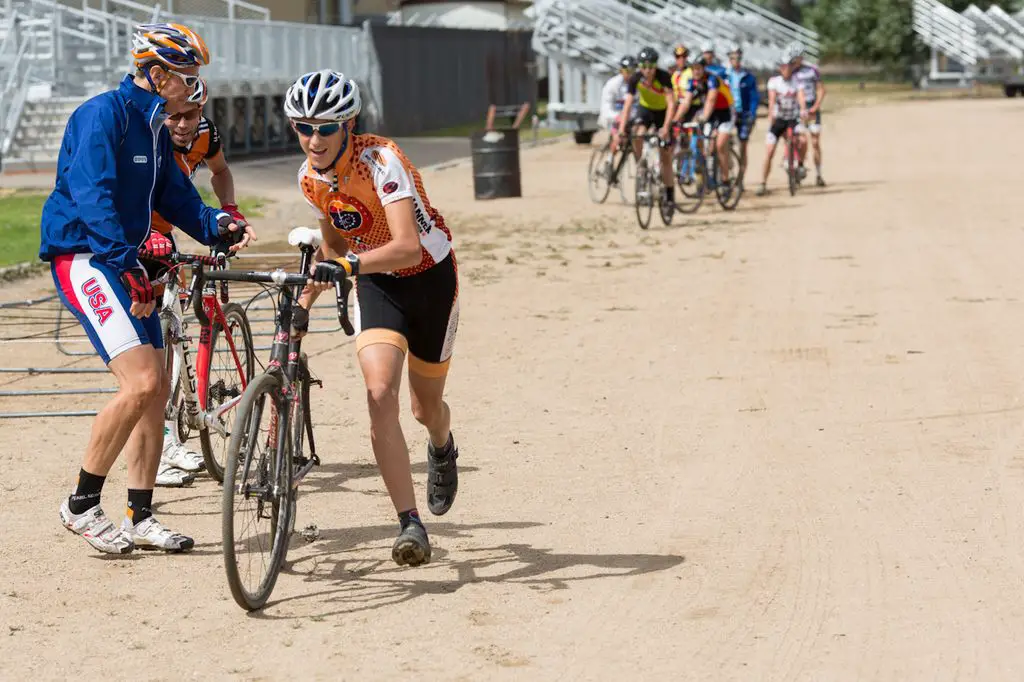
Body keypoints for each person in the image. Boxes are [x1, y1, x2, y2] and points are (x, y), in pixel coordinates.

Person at [39, 23, 255, 555]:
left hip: (123, 260)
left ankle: (140, 513)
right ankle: (82, 504)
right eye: (186, 76)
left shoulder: (157, 128)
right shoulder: (103, 115)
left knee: (157, 388)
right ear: (157, 75)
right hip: (85, 257)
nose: (193, 86)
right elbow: (93, 198)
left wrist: (215, 224)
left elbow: (176, 196)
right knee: (139, 383)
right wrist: (126, 262)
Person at [285, 69, 460, 568]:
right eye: (302, 127)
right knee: (379, 391)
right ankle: (410, 522)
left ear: (349, 125)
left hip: (429, 278)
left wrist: (347, 263)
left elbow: (405, 247)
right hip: (379, 284)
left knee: (427, 409)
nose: (312, 139)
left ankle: (442, 446)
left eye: (324, 128)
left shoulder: (381, 159)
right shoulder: (311, 178)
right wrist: (309, 291)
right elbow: (336, 244)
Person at [141, 77, 250, 488]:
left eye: (192, 115)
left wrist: (230, 211)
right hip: (138, 231)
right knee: (157, 341)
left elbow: (220, 171)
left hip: (168, 229)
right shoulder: (152, 138)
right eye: (176, 116)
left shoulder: (206, 135)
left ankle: (172, 426)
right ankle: (164, 439)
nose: (183, 124)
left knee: (175, 324)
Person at [616, 46, 677, 207]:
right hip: (646, 111)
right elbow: (628, 105)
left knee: (665, 157)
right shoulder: (636, 78)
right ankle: (641, 165)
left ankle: (670, 195)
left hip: (663, 113)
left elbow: (671, 103)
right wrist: (622, 128)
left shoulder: (663, 77)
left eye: (651, 66)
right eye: (643, 66)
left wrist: (665, 127)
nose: (647, 70)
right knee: (637, 133)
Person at [675, 57, 736, 191]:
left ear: (703, 69)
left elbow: (711, 100)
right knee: (699, 142)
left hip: (725, 112)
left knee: (719, 145)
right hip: (711, 112)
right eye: (693, 69)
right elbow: (686, 102)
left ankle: (725, 180)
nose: (696, 72)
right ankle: (704, 177)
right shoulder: (692, 82)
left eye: (698, 69)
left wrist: (703, 119)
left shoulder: (712, 80)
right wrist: (675, 119)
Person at [755, 56, 807, 196]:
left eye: (789, 66)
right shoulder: (774, 82)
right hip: (779, 119)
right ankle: (763, 182)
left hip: (793, 118)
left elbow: (801, 97)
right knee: (769, 151)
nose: (786, 69)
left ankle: (800, 164)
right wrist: (771, 114)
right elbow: (771, 100)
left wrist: (803, 110)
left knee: (803, 140)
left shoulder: (797, 82)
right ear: (780, 68)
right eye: (783, 67)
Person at [789, 43, 826, 186]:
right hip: (797, 109)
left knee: (815, 142)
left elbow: (821, 90)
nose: (795, 60)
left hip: (811, 107)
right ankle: (799, 166)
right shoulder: (790, 72)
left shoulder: (812, 70)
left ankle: (819, 174)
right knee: (801, 140)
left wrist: (816, 106)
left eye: (798, 57)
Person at [725, 45, 760, 184]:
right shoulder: (724, 75)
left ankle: (741, 178)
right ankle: (726, 169)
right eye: (733, 57)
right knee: (723, 141)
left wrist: (752, 113)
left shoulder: (748, 77)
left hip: (744, 114)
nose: (736, 60)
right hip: (728, 113)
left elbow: (754, 97)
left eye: (738, 57)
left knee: (743, 145)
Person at [599, 55, 637, 154]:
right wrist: (617, 117)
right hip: (614, 117)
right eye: (627, 71)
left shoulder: (638, 84)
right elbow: (606, 107)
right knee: (618, 139)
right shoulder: (612, 84)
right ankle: (610, 160)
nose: (630, 75)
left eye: (633, 71)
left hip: (630, 118)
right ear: (621, 70)